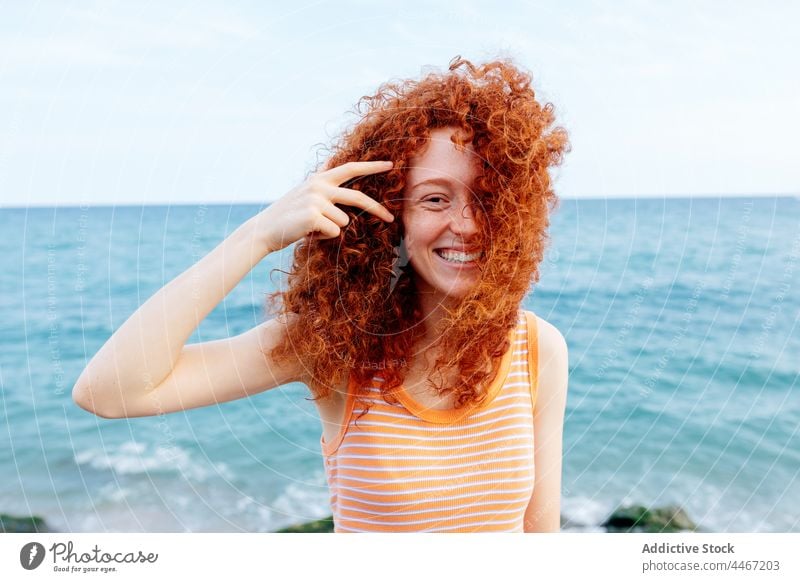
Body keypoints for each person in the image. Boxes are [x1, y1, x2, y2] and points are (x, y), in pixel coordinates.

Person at [72, 55, 570, 533]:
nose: (464, 224)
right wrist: (258, 235)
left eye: (485, 199)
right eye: (435, 199)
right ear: (390, 213)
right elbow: (110, 392)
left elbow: (539, 538)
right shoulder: (334, 347)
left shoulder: (536, 348)